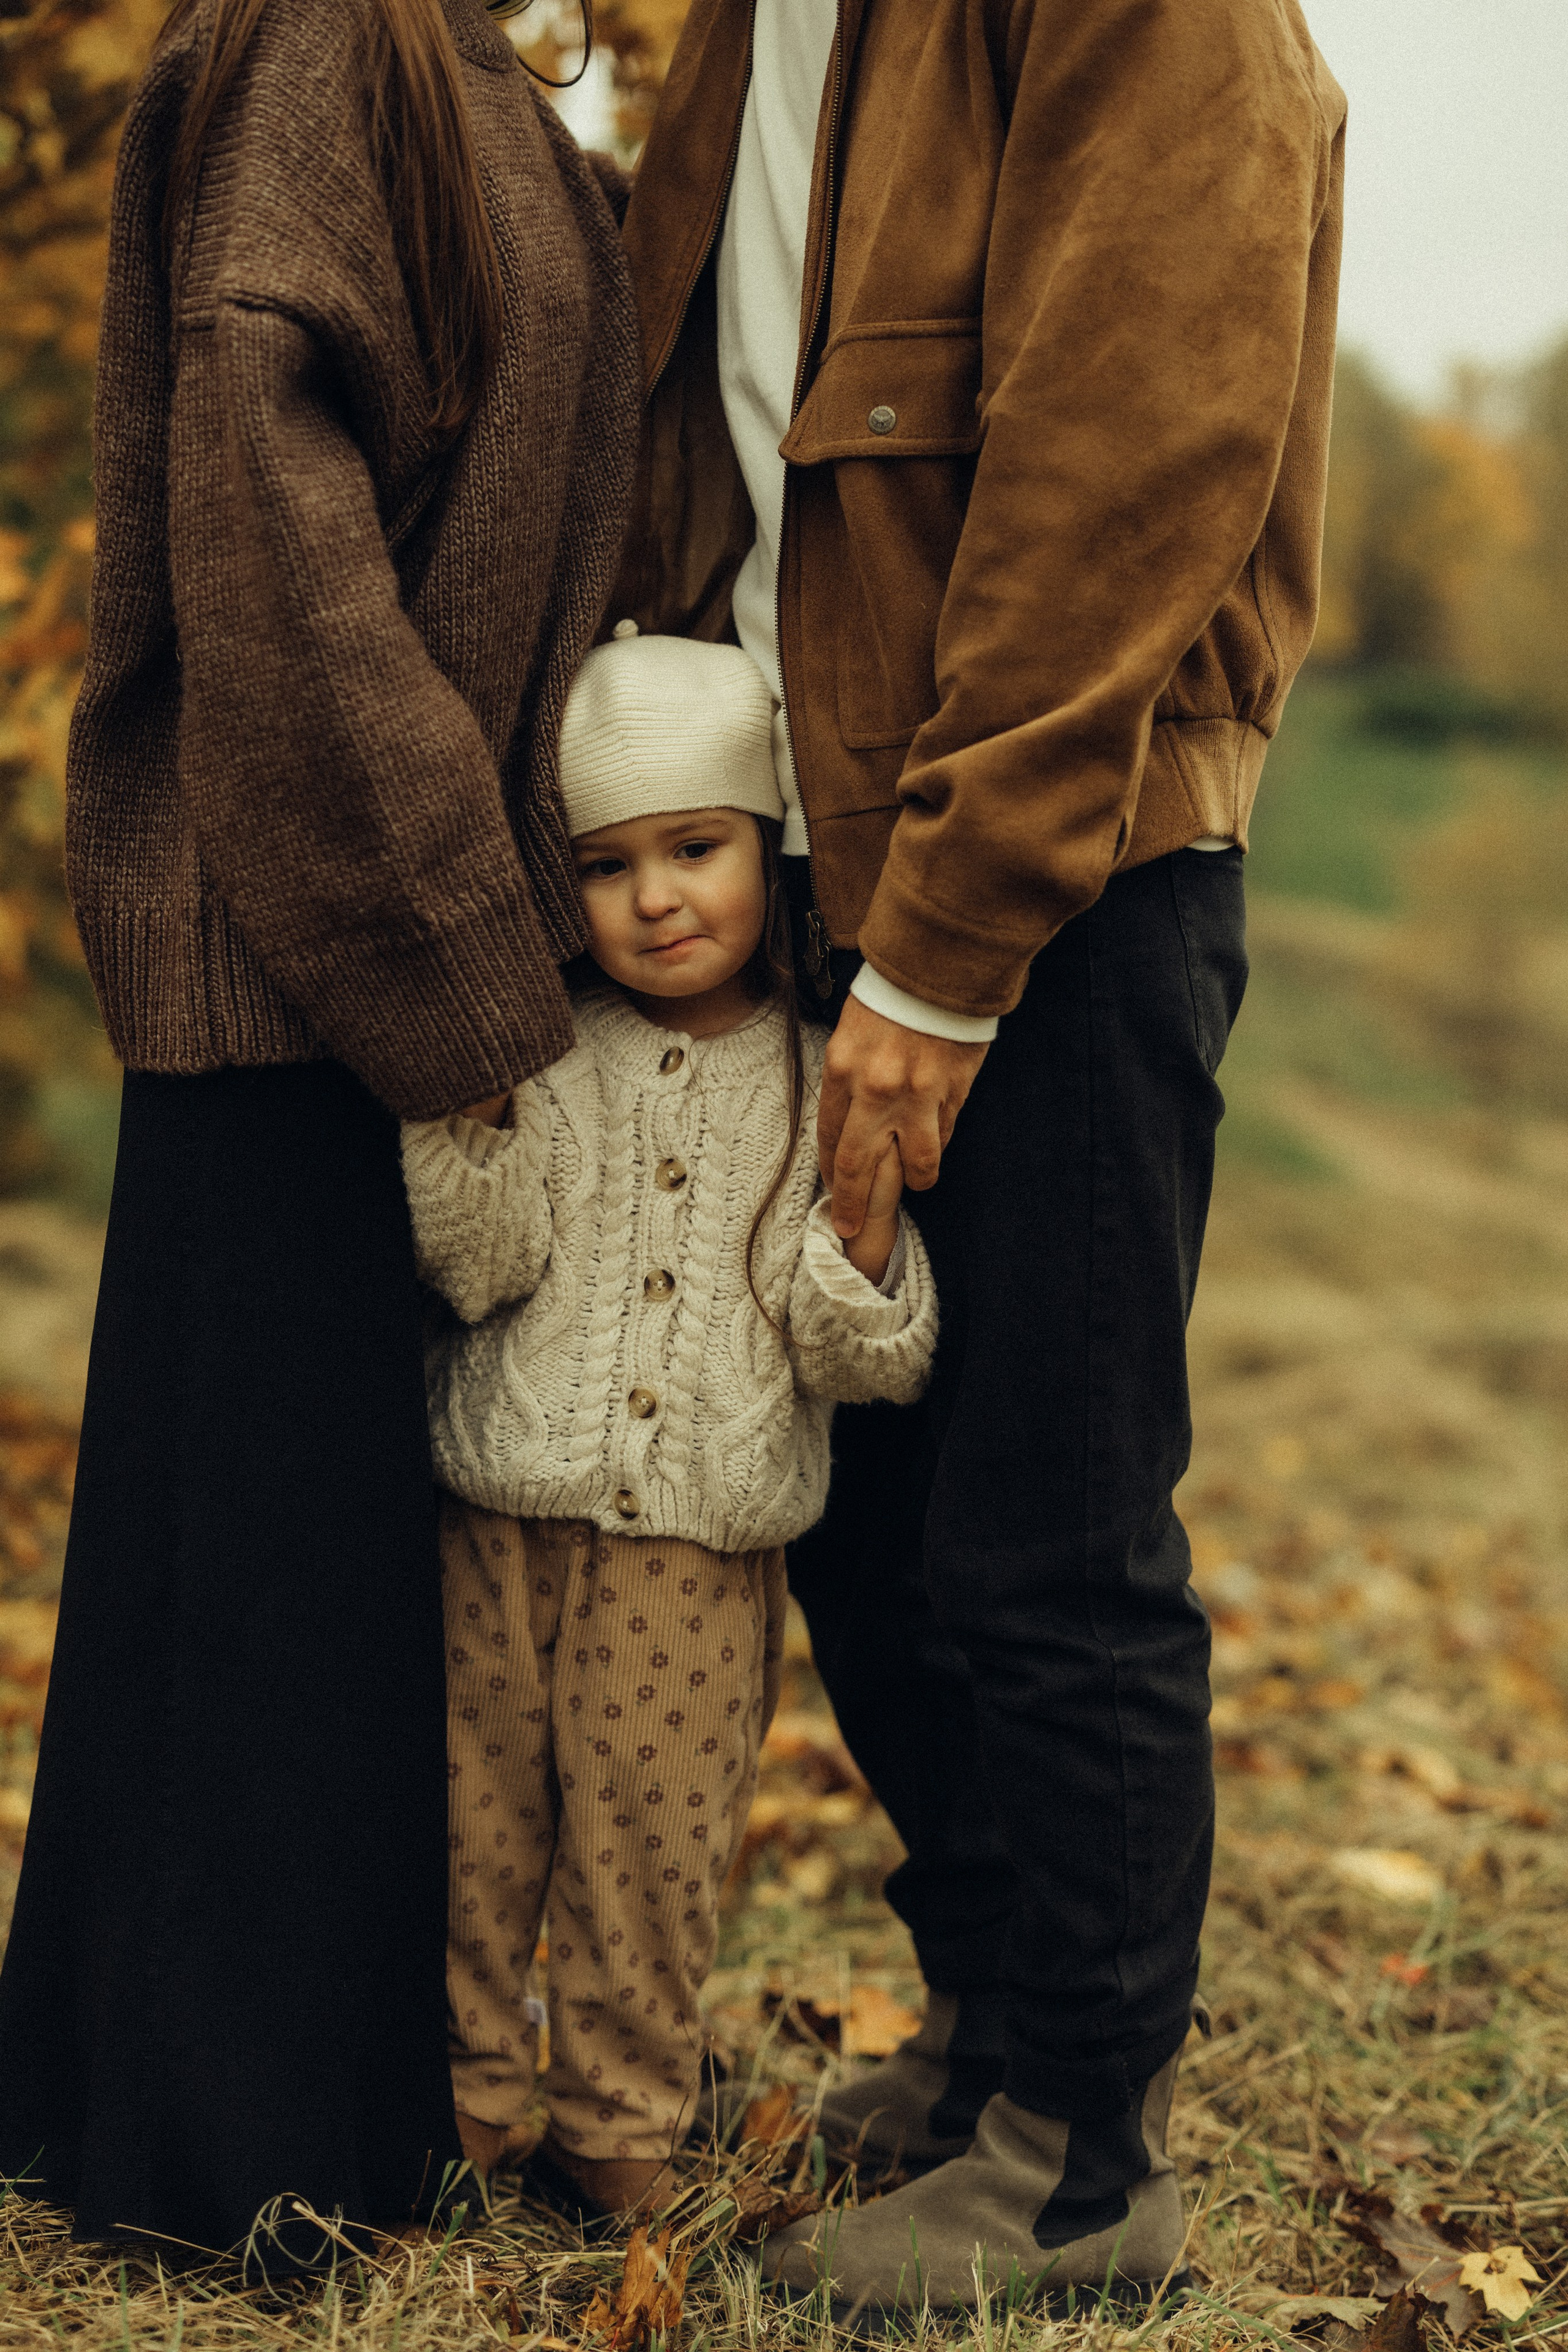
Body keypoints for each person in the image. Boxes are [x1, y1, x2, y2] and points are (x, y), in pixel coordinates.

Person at [615, 0, 1345, 2317]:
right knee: (875, 1518)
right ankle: (993, 2027)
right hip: (825, 850)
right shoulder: (747, 25)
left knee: (1048, 1520)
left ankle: (1085, 2154)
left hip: (1066, 877)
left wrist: (942, 956)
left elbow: (1139, 441)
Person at [0, 0, 641, 2264]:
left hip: (378, 961)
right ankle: (230, 2161)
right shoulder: (316, 47)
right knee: (259, 1592)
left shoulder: (492, 87)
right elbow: (277, 561)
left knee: (302, 1582)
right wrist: (451, 959)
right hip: (313, 961)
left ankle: (175, 2104)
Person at [400, 628, 937, 2223]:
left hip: (697, 1558)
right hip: (499, 1521)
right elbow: (480, 1269)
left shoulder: (820, 1075)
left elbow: (860, 1363)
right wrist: (469, 1121)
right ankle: (465, 2095)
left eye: (696, 848)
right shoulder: (545, 1055)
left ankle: (619, 2122)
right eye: (605, 864)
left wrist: (860, 1238)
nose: (655, 898)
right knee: (474, 1829)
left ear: (766, 845)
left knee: (651, 1850)